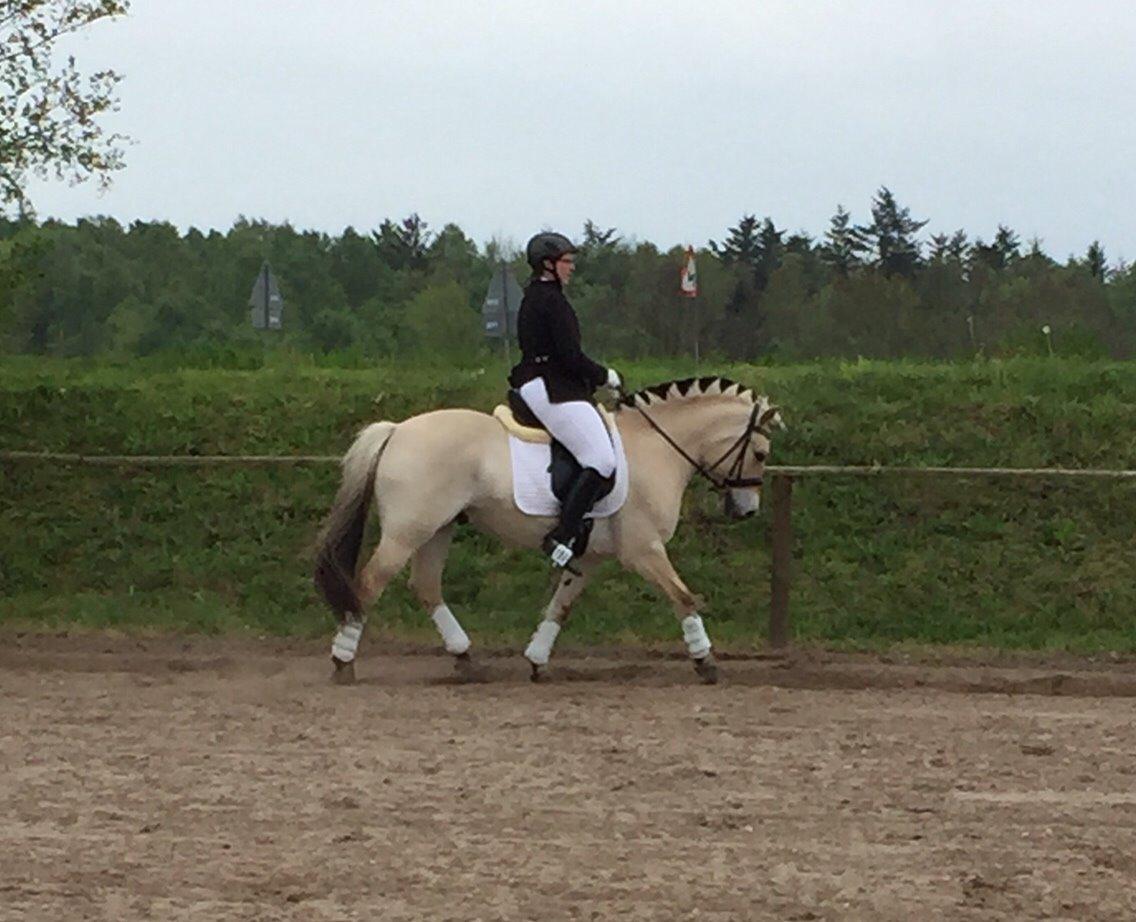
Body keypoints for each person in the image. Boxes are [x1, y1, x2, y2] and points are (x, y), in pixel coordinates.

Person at [508, 231, 622, 568]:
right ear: (548, 264)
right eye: (566, 262)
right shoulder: (550, 301)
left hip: (544, 380)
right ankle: (564, 534)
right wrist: (605, 376)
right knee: (602, 459)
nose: (571, 268)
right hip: (550, 386)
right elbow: (570, 356)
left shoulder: (540, 296)